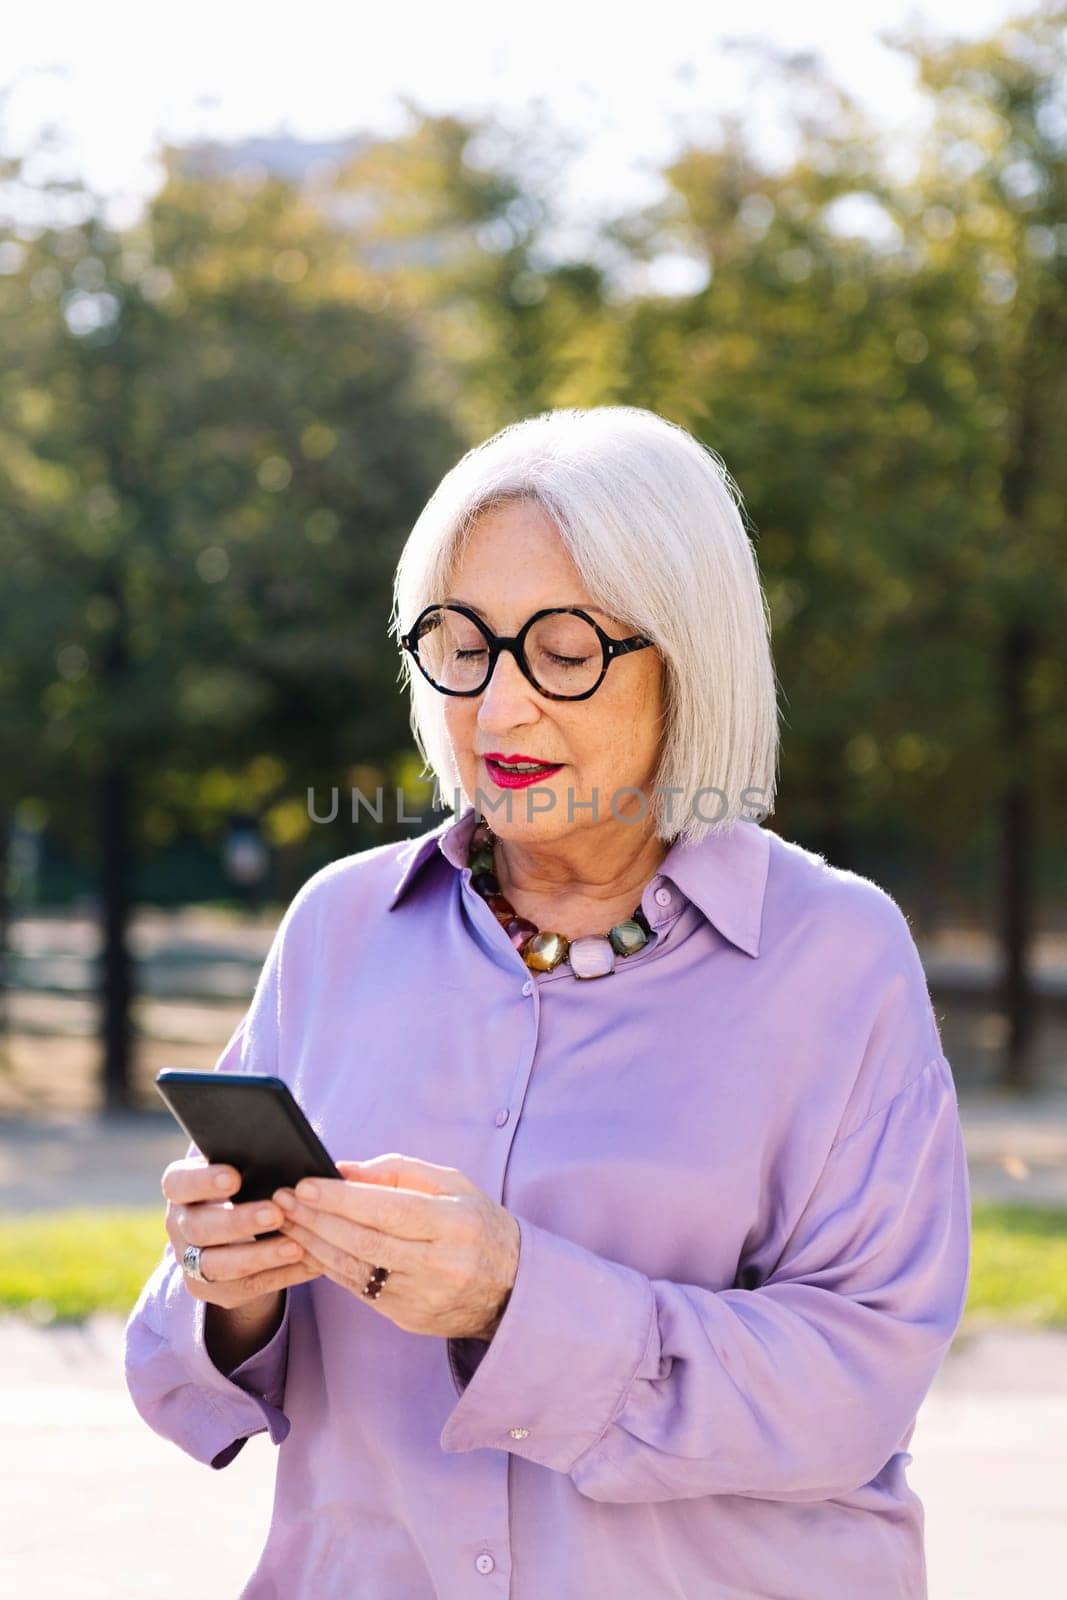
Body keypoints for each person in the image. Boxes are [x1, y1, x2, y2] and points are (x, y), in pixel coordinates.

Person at [124, 405, 970, 1599]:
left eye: (564, 650)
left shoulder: (835, 955)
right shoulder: (337, 926)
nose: (499, 710)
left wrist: (516, 1300)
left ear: (688, 653)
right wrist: (229, 1290)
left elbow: (856, 1380)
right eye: (462, 645)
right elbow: (177, 1374)